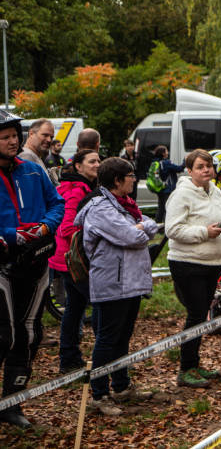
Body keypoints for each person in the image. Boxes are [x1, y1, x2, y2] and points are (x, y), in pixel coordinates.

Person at [78, 157, 159, 415]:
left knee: (123, 337)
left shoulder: (126, 205)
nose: (134, 179)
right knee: (107, 339)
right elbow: (133, 236)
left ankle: (121, 386)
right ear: (117, 180)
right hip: (111, 284)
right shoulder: (101, 208)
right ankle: (99, 396)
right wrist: (139, 228)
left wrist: (141, 226)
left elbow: (150, 225)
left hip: (131, 283)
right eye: (131, 175)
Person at [0, 110, 63, 428]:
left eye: (15, 136)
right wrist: (12, 236)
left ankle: (11, 404)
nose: (13, 141)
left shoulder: (33, 172)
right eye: (5, 137)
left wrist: (42, 228)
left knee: (30, 334)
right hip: (4, 265)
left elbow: (58, 204)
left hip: (37, 261)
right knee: (4, 336)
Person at [165, 149, 221, 389]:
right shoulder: (181, 194)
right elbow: (172, 229)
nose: (206, 170)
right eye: (200, 166)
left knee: (201, 314)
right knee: (195, 315)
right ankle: (185, 369)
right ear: (190, 171)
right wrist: (203, 232)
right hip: (187, 263)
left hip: (212, 263)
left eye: (209, 166)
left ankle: (194, 363)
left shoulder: (216, 193)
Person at [47, 149, 100, 373]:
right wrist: (96, 233)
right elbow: (67, 225)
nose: (97, 164)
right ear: (78, 166)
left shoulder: (84, 187)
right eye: (92, 161)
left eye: (99, 160)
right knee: (99, 305)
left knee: (75, 307)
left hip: (67, 257)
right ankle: (104, 358)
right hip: (72, 258)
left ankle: (69, 359)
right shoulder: (75, 191)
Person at [150, 145, 185, 223]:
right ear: (163, 153)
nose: (167, 152)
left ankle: (157, 225)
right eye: (166, 151)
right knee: (168, 208)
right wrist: (185, 161)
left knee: (161, 207)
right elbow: (179, 168)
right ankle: (166, 226)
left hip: (160, 188)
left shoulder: (155, 162)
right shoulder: (166, 163)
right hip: (167, 189)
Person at [20, 118, 59, 185]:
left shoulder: (35, 156)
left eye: (51, 137)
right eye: (45, 135)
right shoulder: (26, 156)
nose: (49, 140)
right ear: (31, 134)